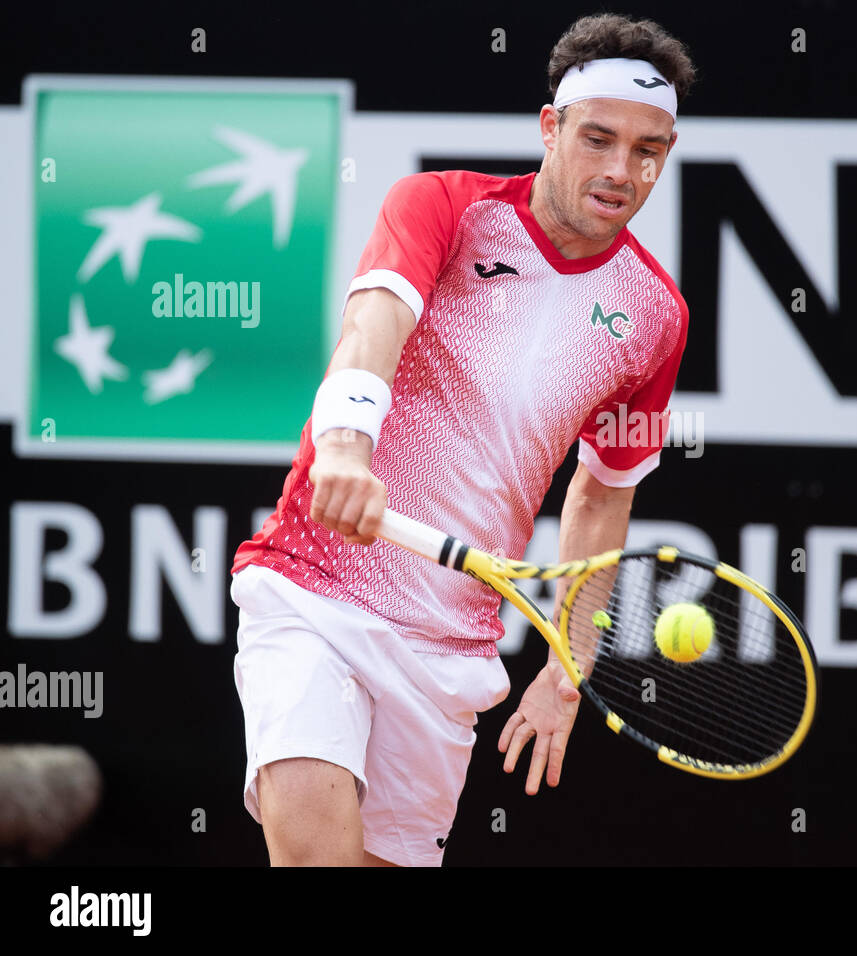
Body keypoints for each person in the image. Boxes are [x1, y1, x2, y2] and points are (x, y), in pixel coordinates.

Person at [228, 13, 696, 866]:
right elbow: (376, 322)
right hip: (316, 589)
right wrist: (345, 449)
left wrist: (569, 662)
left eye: (648, 150)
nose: (622, 171)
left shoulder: (656, 316)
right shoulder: (445, 205)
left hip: (450, 649)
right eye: (598, 139)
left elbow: (603, 491)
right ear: (550, 128)